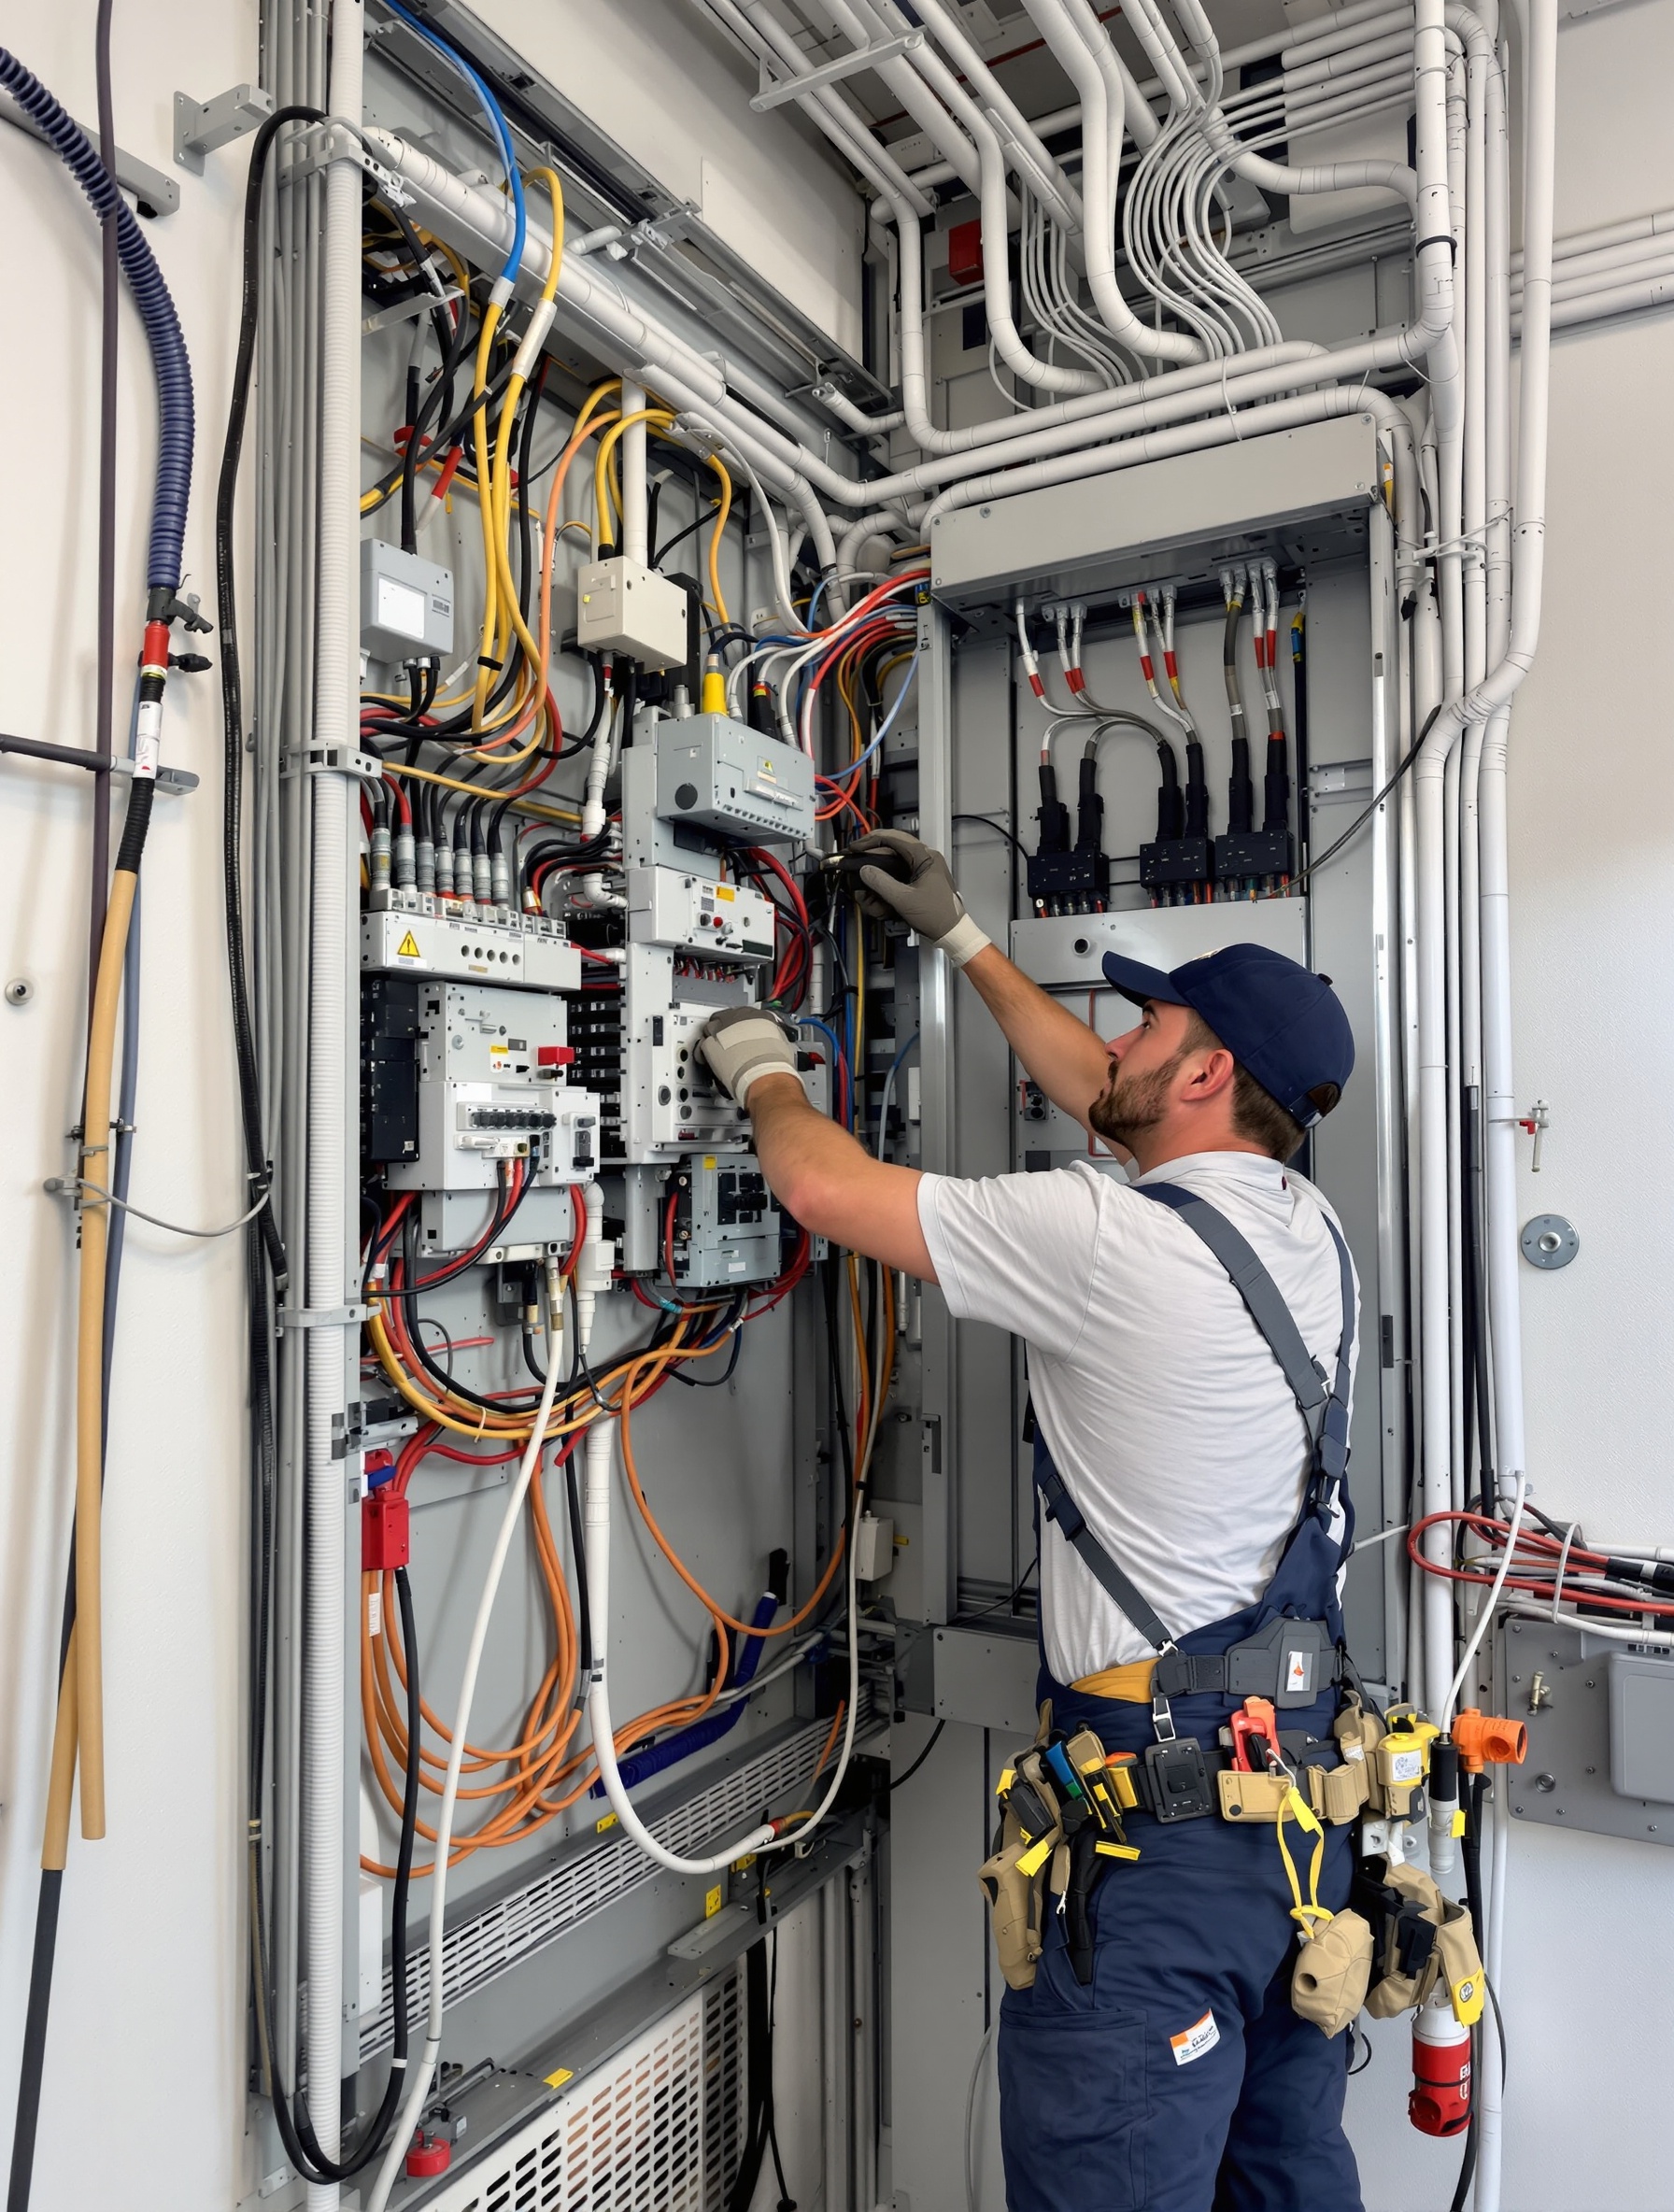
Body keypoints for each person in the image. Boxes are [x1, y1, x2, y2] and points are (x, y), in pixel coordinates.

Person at [698, 829, 1366, 2212]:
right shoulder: (1302, 1223)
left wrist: (758, 1063)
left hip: (1159, 1844)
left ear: (1207, 1073)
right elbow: (1115, 1099)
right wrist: (964, 942)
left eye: (1149, 1022)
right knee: (1287, 2181)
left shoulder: (1109, 1238)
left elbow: (822, 1188)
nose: (1114, 1038)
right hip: (1298, 1834)